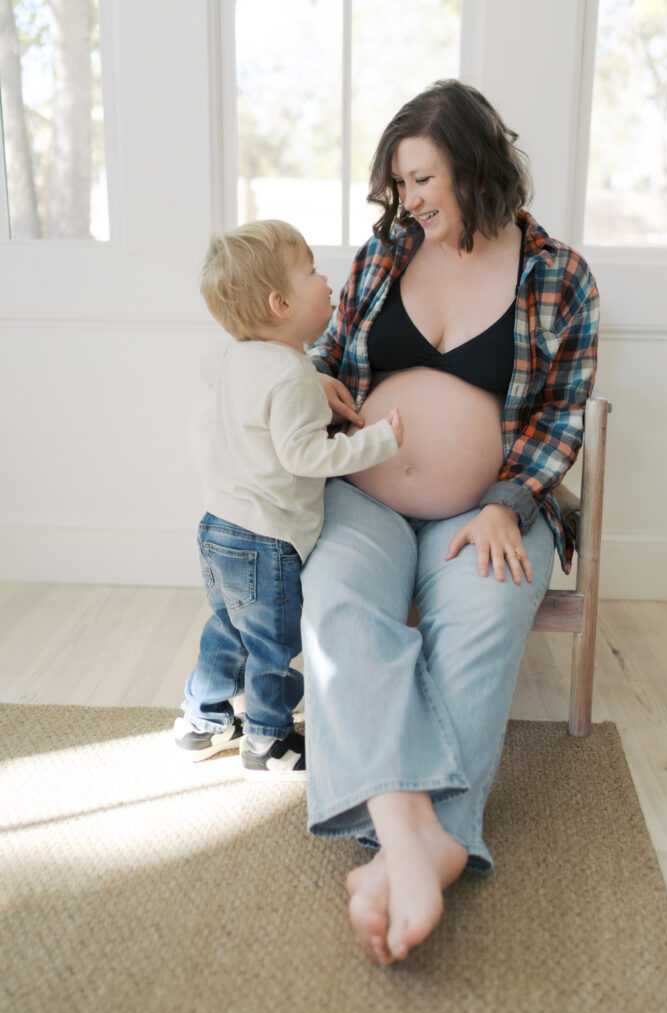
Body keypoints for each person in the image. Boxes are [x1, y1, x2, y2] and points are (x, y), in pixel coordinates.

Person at [300, 80, 599, 960]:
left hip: (493, 505)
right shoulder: (382, 254)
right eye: (398, 184)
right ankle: (414, 834)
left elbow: (564, 411)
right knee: (338, 607)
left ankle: (412, 848)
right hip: (364, 492)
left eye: (422, 178)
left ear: (474, 165)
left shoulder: (557, 275)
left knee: (480, 622)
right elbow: (326, 355)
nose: (408, 201)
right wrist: (311, 383)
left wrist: (509, 505)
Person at [174, 219, 403, 779]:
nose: (328, 282)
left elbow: (230, 391)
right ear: (281, 303)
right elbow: (307, 457)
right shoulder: (290, 374)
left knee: (227, 626)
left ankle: (201, 720)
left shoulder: (230, 357)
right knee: (273, 643)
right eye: (313, 272)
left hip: (217, 525)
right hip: (266, 537)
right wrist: (381, 440)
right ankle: (269, 740)